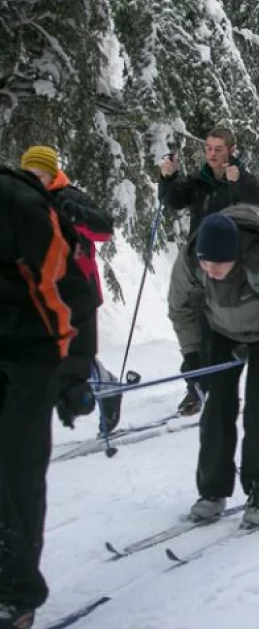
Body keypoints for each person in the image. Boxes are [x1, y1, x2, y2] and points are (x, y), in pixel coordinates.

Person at [168, 207, 259, 527]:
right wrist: (192, 352)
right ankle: (212, 490)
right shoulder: (192, 261)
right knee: (217, 405)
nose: (210, 270)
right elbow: (181, 307)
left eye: (218, 263)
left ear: (235, 254)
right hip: (220, 331)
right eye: (206, 263)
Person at [0, 166, 98, 629]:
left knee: (16, 472)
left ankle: (15, 598)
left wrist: (74, 372)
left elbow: (67, 294)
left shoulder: (19, 208)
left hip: (32, 353)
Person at [159, 127, 259, 417]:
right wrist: (167, 177)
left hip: (229, 265)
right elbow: (173, 202)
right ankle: (197, 381)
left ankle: (202, 387)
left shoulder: (238, 177)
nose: (212, 154)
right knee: (185, 315)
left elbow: (258, 199)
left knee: (212, 325)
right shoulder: (200, 180)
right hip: (197, 260)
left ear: (231, 150)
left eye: (219, 149)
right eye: (208, 148)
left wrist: (240, 180)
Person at [20, 145, 122, 435]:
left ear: (51, 174)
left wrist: (71, 213)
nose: (31, 179)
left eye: (37, 174)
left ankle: (106, 386)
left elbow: (103, 230)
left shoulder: (68, 197)